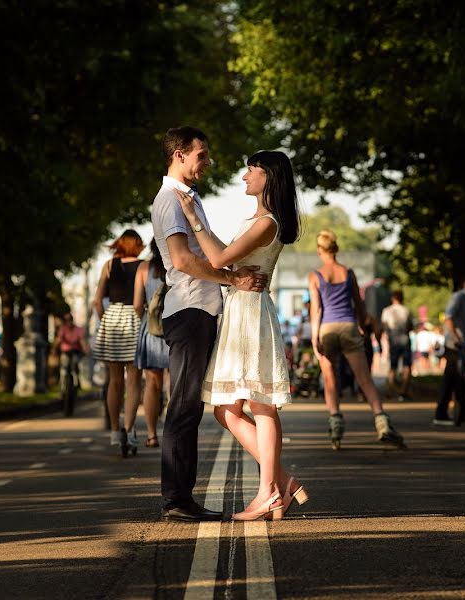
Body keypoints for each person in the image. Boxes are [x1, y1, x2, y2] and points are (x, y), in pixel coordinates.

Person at [175, 149, 308, 521]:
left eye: (252, 170)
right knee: (225, 409)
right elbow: (225, 255)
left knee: (260, 404)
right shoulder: (258, 220)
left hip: (250, 313)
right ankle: (281, 481)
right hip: (240, 310)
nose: (245, 176)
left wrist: (192, 218)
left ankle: (268, 492)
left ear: (270, 177)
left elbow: (218, 260)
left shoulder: (268, 222)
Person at [150, 126, 267, 522]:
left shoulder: (188, 199)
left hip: (201, 310)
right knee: (183, 405)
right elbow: (183, 260)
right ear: (179, 155)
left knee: (191, 406)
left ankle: (183, 497)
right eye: (201, 154)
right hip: (188, 311)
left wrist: (235, 268)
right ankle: (176, 500)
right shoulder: (169, 201)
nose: (208, 161)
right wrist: (233, 279)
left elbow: (210, 252)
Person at [309, 230, 404, 448]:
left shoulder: (315, 276)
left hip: (327, 329)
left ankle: (335, 424)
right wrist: (362, 326)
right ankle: (381, 422)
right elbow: (359, 305)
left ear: (320, 250)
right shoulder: (348, 273)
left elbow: (316, 309)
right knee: (364, 379)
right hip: (349, 326)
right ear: (336, 249)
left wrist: (315, 336)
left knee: (330, 379)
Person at [91, 230, 144, 456]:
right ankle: (129, 429)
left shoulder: (109, 265)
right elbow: (141, 302)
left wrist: (105, 317)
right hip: (134, 319)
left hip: (112, 319)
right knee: (133, 381)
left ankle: (114, 430)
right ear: (138, 245)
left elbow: (96, 300)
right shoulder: (144, 265)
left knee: (114, 381)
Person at [132, 239, 170, 449]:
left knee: (152, 385)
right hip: (176, 326)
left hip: (151, 329)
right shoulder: (178, 262)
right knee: (173, 384)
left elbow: (138, 305)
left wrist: (145, 318)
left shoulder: (144, 268)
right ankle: (174, 434)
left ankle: (152, 434)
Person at [433, 274, 465, 426]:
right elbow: (448, 318)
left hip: (461, 344)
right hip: (454, 344)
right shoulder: (459, 297)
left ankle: (463, 411)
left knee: (457, 379)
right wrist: (456, 337)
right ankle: (442, 413)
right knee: (451, 378)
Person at [380, 290, 414, 402]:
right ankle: (403, 392)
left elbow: (384, 326)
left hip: (393, 340)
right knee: (406, 366)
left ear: (392, 298)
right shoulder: (406, 310)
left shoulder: (387, 311)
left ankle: (390, 390)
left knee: (393, 366)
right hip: (405, 339)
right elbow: (410, 326)